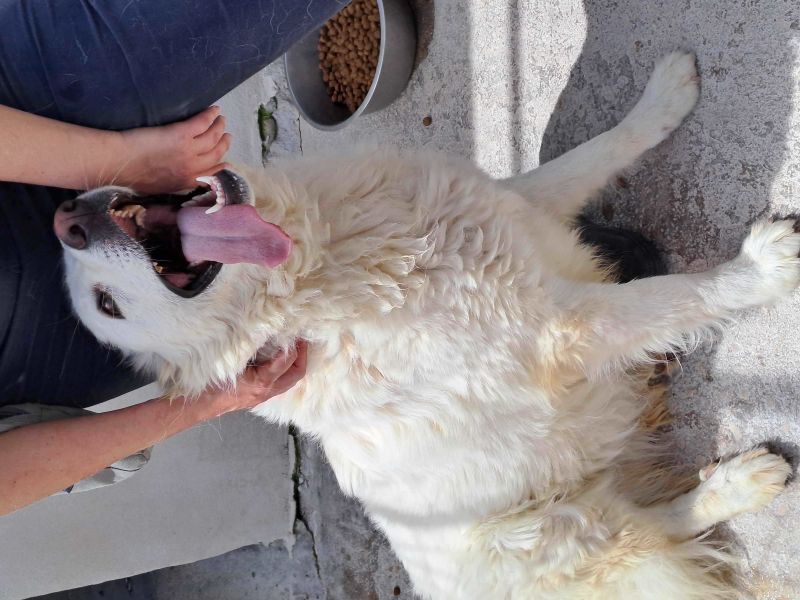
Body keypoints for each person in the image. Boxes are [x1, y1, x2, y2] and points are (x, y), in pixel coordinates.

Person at [0, 0, 349, 516]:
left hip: (16, 109)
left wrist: (118, 159)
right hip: (41, 351)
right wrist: (211, 398)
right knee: (332, 298)